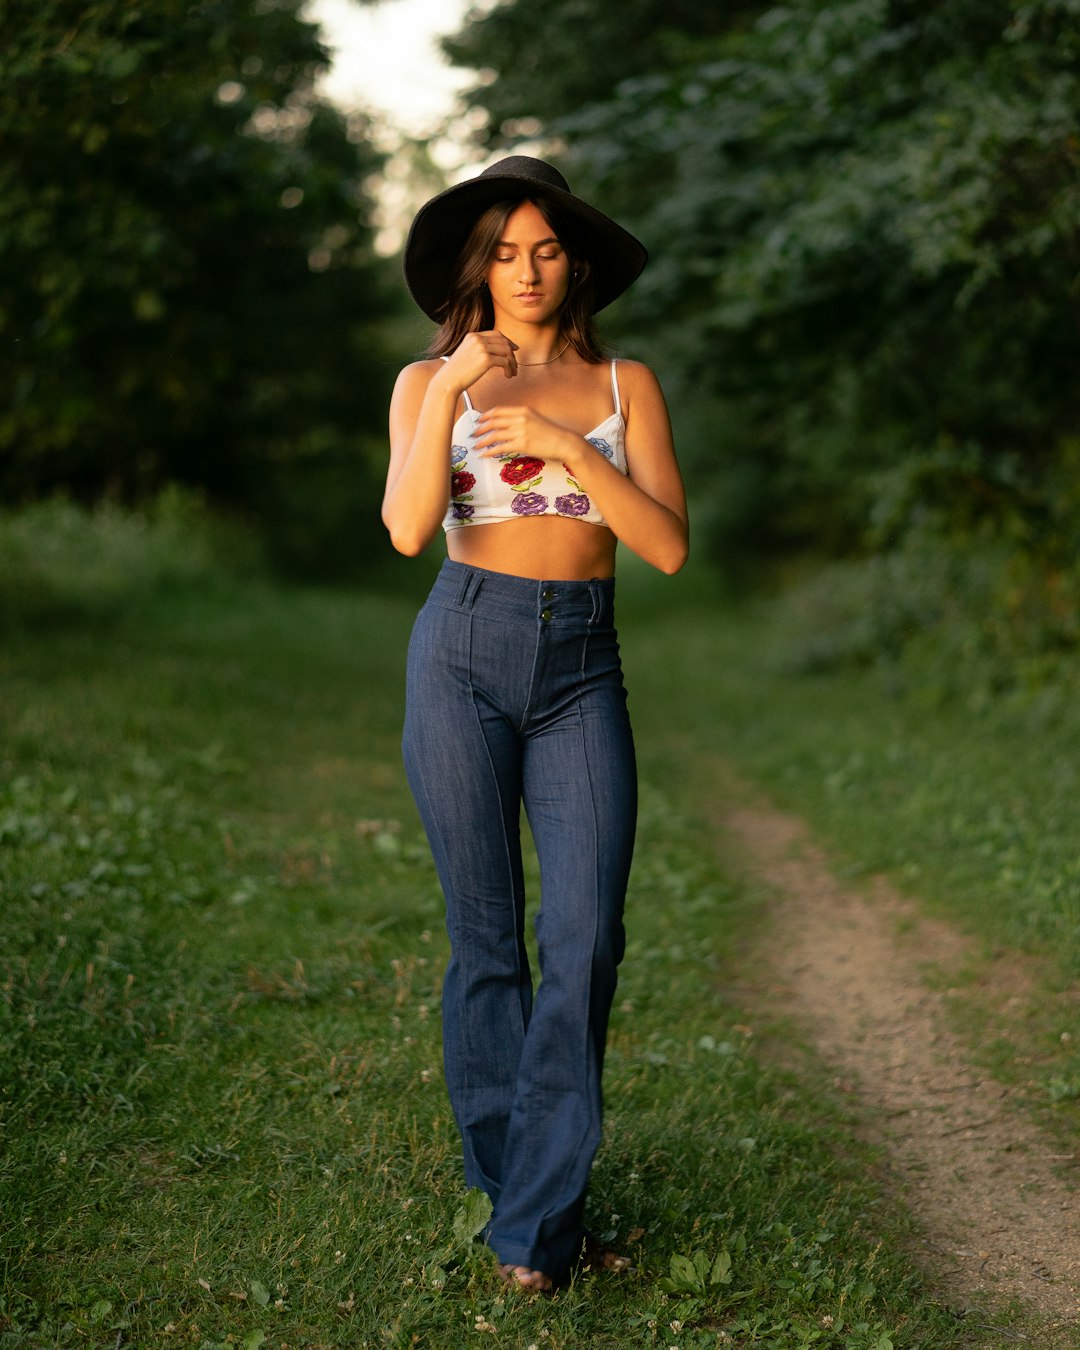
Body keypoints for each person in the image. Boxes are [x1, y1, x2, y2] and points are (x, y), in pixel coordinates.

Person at [384, 156, 688, 1293]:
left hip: (580, 668)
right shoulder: (428, 383)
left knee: (588, 937)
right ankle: (530, 1219)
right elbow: (410, 528)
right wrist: (456, 386)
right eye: (504, 252)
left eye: (547, 249)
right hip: (461, 649)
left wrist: (568, 452)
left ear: (578, 264)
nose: (526, 270)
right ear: (479, 266)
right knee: (486, 937)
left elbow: (665, 545)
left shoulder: (627, 387)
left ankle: (533, 1212)